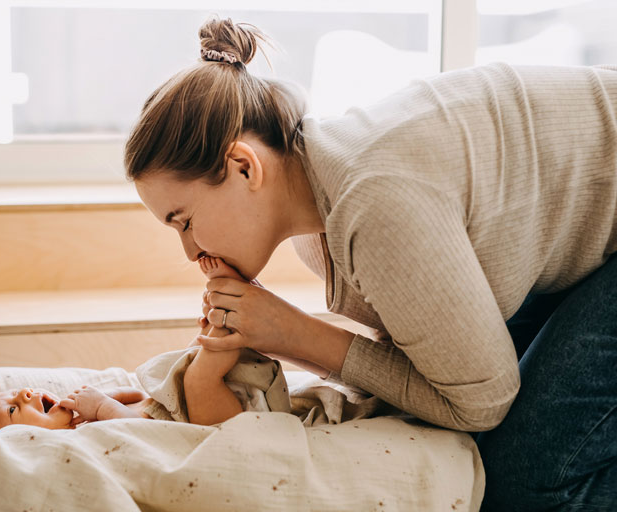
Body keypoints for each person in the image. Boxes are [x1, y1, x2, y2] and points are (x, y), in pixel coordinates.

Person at [123, 16, 617, 511]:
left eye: (184, 222)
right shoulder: (316, 226)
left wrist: (293, 333)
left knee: (524, 488)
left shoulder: (371, 204)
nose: (191, 253)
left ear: (244, 166)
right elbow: (421, 374)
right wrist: (274, 335)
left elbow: (482, 403)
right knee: (479, 457)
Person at [0, 257, 293, 433]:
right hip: (215, 426)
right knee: (196, 379)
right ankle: (231, 317)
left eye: (14, 393)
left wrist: (108, 399)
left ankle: (223, 318)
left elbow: (140, 397)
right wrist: (103, 408)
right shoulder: (78, 443)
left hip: (190, 410)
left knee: (186, 362)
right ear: (25, 442)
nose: (24, 394)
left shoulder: (82, 421)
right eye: (13, 409)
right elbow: (140, 432)